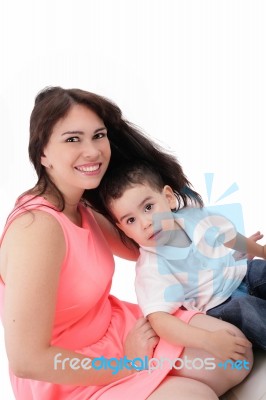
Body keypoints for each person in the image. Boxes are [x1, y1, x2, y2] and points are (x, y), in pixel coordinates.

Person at [0, 86, 252, 400]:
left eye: (99, 135)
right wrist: (127, 364)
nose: (92, 151)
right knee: (193, 395)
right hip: (68, 371)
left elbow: (151, 245)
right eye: (72, 139)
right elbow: (27, 361)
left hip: (120, 329)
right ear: (42, 154)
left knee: (235, 355)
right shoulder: (36, 229)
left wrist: (220, 245)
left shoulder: (81, 206)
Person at [97, 159, 266, 352]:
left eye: (148, 207)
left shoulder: (193, 216)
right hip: (220, 305)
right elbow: (159, 319)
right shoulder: (151, 266)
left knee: (260, 270)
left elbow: (228, 236)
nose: (145, 223)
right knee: (249, 310)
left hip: (241, 273)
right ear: (124, 230)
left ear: (168, 198)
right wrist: (207, 340)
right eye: (131, 220)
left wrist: (260, 251)